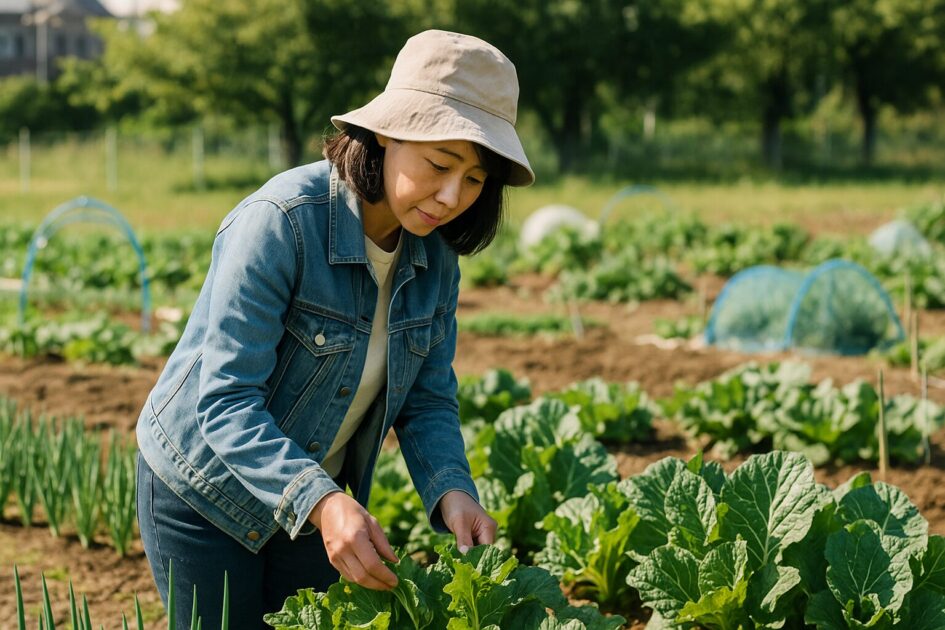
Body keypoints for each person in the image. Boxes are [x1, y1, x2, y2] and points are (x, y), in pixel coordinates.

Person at [134, 28, 534, 628]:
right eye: (439, 164)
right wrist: (322, 502)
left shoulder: (435, 257)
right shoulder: (280, 224)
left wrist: (453, 491)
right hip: (204, 489)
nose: (452, 196)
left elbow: (426, 399)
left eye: (474, 180)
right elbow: (224, 401)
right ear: (384, 133)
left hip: (315, 490)